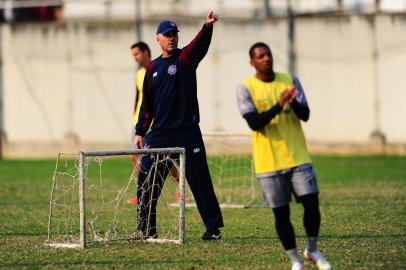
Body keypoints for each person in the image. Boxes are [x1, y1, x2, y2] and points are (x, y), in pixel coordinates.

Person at [236, 42, 331, 270]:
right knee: (282, 214)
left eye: (268, 54)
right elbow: (255, 123)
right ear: (253, 62)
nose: (266, 58)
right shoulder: (245, 88)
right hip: (268, 163)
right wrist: (279, 105)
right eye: (261, 56)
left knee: (311, 202)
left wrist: (292, 101)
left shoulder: (291, 80)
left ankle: (312, 249)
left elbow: (305, 115)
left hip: (298, 157)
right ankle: (295, 260)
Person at [134, 11, 224, 240]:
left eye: (174, 34)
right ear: (158, 39)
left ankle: (213, 228)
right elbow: (147, 104)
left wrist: (207, 26)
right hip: (160, 134)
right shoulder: (152, 69)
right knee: (148, 181)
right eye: (167, 34)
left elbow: (199, 44)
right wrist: (140, 132)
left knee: (200, 180)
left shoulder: (185, 59)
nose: (172, 38)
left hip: (187, 131)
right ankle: (146, 228)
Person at [127, 42, 180, 205]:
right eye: (133, 55)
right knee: (134, 156)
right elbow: (139, 95)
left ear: (146, 52)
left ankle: (180, 189)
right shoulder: (138, 74)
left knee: (166, 159)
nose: (135, 58)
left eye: (137, 54)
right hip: (139, 122)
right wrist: (136, 115)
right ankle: (141, 191)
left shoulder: (156, 68)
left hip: (155, 122)